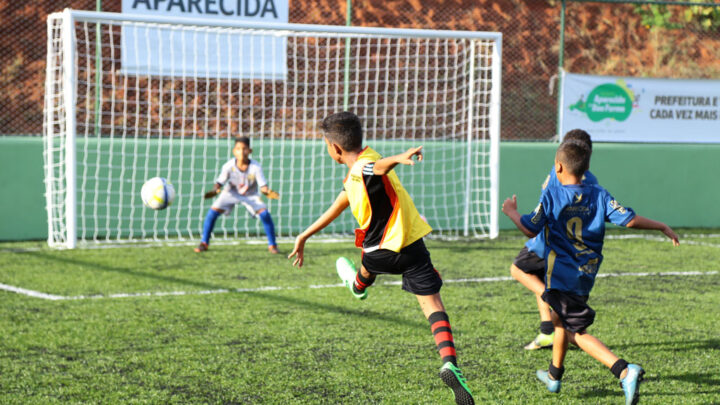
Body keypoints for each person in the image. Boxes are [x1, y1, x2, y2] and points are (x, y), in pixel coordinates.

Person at [287, 111, 474, 405]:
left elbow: (376, 169)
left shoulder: (362, 166)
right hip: (410, 249)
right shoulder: (360, 167)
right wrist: (304, 235)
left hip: (376, 255)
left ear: (335, 148)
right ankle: (450, 362)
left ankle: (357, 286)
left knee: (366, 268)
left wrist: (303, 236)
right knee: (433, 306)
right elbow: (351, 192)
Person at [502, 140, 679, 405]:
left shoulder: (552, 193)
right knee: (559, 320)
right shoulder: (599, 193)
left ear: (558, 166)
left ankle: (623, 370)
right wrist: (661, 225)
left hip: (562, 274)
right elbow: (629, 220)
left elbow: (530, 228)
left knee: (574, 332)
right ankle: (554, 376)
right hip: (586, 272)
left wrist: (511, 212)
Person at [510, 129, 597, 350]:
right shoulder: (592, 180)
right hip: (575, 245)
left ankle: (554, 307)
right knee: (540, 277)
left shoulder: (558, 172)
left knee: (517, 270)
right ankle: (547, 331)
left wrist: (516, 215)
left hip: (547, 240)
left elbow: (546, 206)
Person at [195, 136, 280, 254]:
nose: (241, 152)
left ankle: (273, 245)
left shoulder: (256, 167)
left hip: (250, 195)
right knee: (212, 213)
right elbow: (219, 182)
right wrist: (215, 190)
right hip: (231, 193)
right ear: (234, 151)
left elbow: (263, 186)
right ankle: (204, 242)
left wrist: (267, 192)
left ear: (250, 151)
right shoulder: (228, 166)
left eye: (244, 149)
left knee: (265, 214)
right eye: (238, 149)